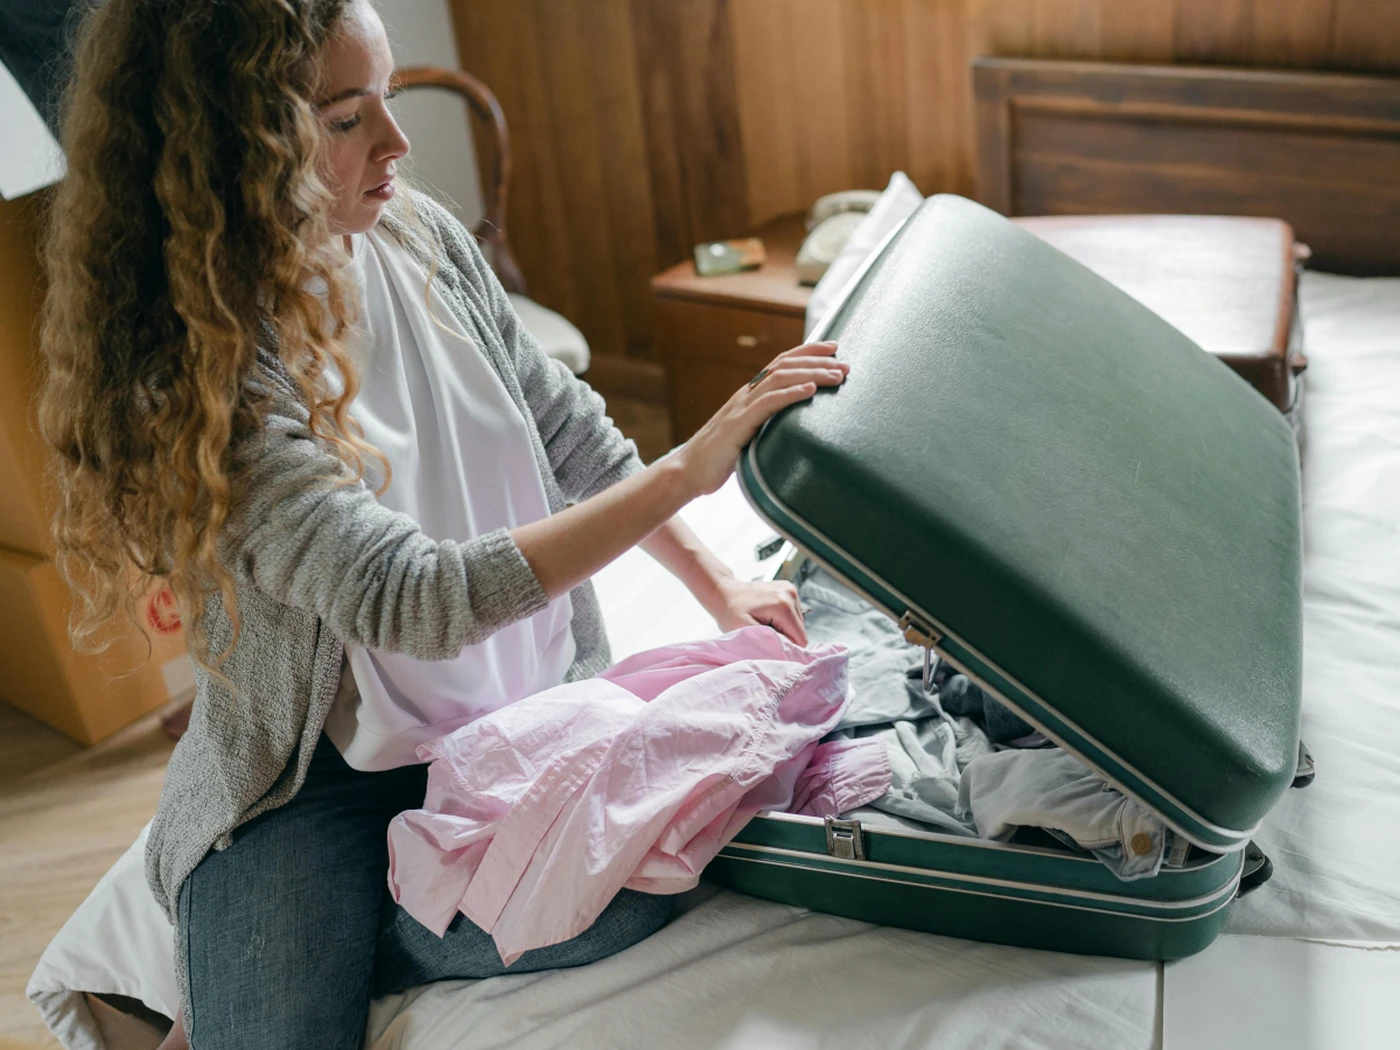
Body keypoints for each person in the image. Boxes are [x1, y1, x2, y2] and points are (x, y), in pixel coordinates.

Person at [36, 1, 849, 1047]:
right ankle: (275, 924)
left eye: (391, 97)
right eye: (343, 119)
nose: (397, 144)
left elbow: (568, 430)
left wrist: (717, 586)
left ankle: (360, 925)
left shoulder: (418, 235)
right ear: (234, 146)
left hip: (510, 714)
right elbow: (411, 597)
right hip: (318, 790)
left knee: (658, 882)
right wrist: (690, 468)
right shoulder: (196, 368)